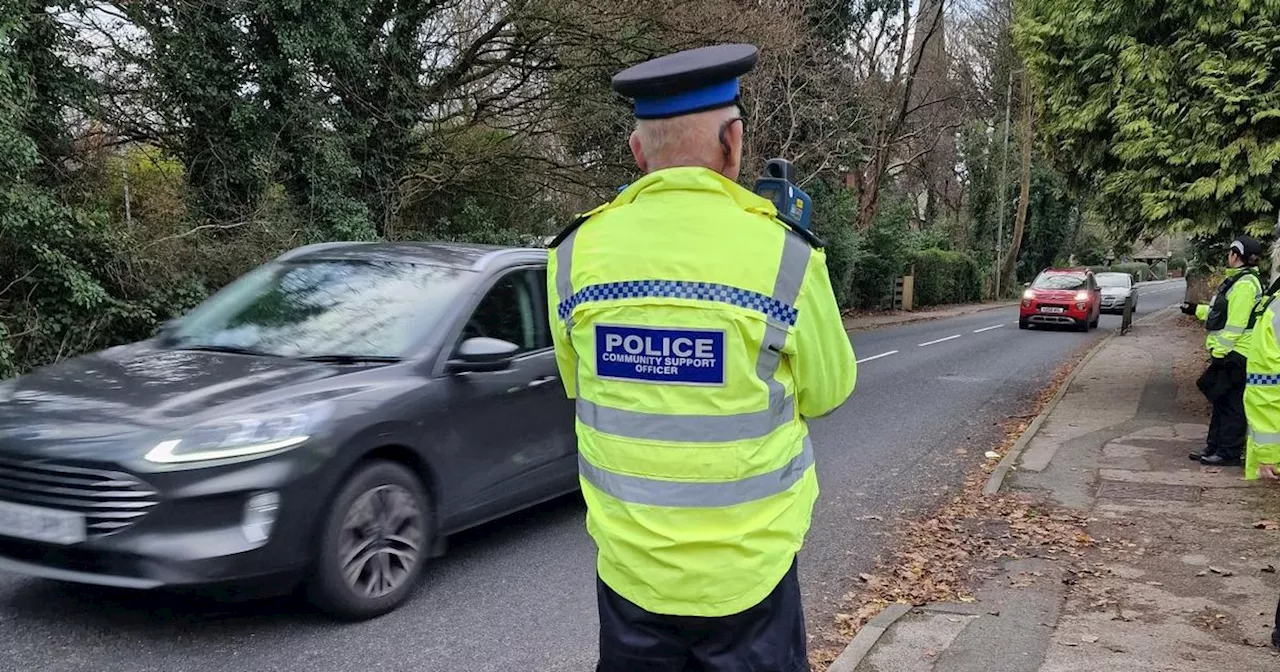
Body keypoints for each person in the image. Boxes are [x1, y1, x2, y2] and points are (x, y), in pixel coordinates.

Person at [545, 44, 857, 671]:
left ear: (638, 155)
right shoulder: (786, 255)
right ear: (733, 143)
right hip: (750, 580)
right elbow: (829, 391)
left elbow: (579, 385)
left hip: (632, 578)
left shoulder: (574, 256)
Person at [1181, 235, 1263, 466]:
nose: (1228, 256)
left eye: (1230, 252)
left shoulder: (1246, 285)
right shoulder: (1237, 281)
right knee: (1220, 399)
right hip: (1230, 353)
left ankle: (1228, 452)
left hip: (1236, 354)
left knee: (1231, 403)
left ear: (1236, 255)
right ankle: (1214, 446)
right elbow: (1221, 314)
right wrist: (1196, 310)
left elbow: (1236, 324)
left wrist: (1219, 351)